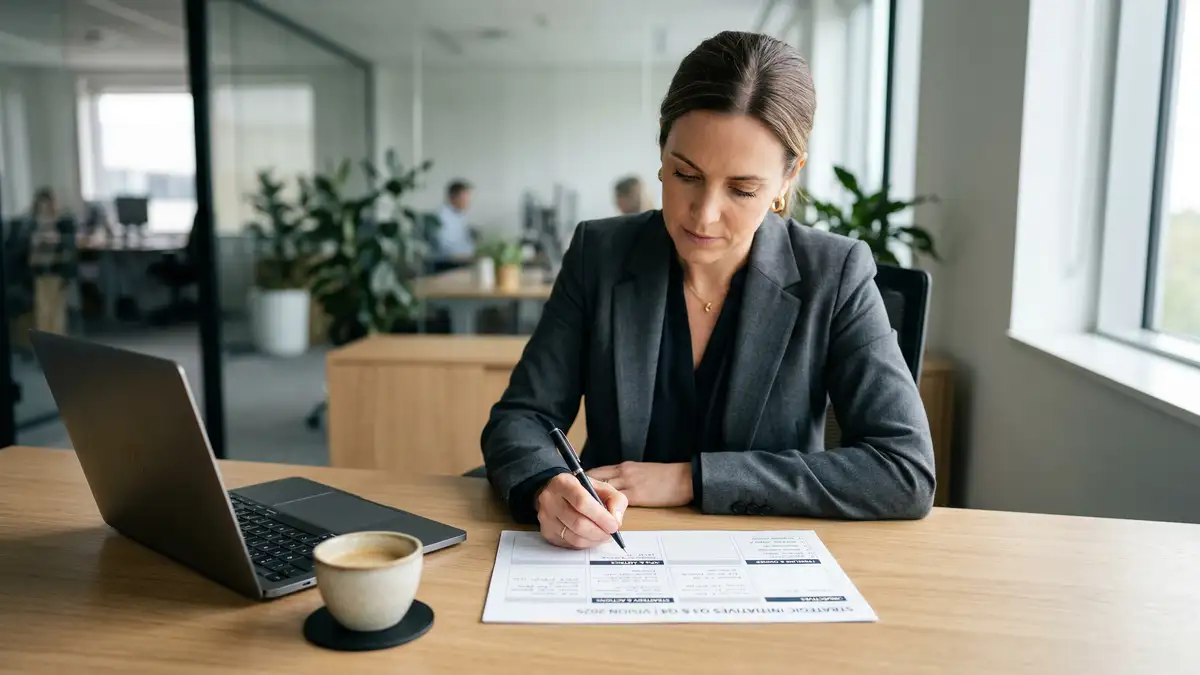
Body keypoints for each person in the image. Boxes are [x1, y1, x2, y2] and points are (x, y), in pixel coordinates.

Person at [481, 31, 935, 550]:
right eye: (686, 175)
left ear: (788, 178)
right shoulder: (599, 254)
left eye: (742, 189)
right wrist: (546, 486)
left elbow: (904, 469)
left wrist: (690, 479)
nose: (704, 215)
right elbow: (522, 418)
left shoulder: (835, 273)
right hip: (609, 550)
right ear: (662, 150)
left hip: (764, 557)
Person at [433, 179, 476, 263]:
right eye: (465, 199)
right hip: (446, 263)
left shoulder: (460, 214)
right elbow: (444, 248)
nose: (468, 202)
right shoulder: (441, 216)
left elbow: (465, 243)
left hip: (462, 260)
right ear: (454, 198)